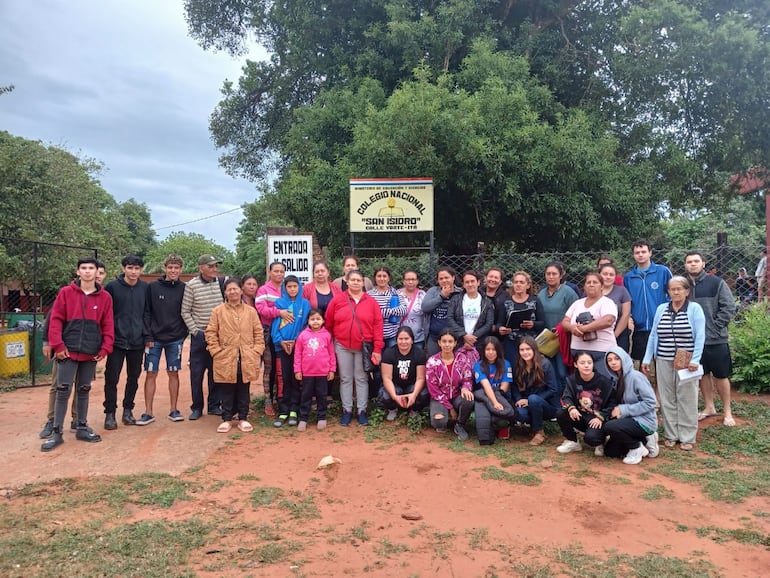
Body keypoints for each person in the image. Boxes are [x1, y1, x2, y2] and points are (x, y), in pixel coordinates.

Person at [41, 256, 114, 452]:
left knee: (83, 390)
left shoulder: (105, 298)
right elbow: (55, 320)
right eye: (84, 268)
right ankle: (56, 431)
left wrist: (105, 348)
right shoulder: (66, 293)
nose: (88, 271)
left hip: (90, 352)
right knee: (62, 390)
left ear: (97, 271)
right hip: (68, 351)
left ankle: (81, 425)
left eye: (91, 268)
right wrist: (57, 345)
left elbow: (108, 324)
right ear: (78, 271)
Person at [642, 276, 705, 451]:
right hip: (663, 358)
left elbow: (700, 336)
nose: (676, 292)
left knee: (687, 396)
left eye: (679, 289)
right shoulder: (662, 309)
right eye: (672, 289)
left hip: (686, 361)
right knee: (666, 397)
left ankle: (687, 436)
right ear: (668, 291)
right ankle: (671, 434)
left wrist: (695, 360)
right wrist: (647, 358)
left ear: (687, 291)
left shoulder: (694, 309)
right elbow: (654, 335)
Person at [684, 252, 738, 427]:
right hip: (693, 341)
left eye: (696, 261)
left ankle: (727, 411)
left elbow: (729, 307)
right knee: (702, 374)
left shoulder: (716, 283)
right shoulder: (683, 285)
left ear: (703, 263)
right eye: (689, 262)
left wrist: (715, 327)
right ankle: (709, 407)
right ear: (685, 265)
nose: (693, 264)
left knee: (721, 375)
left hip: (715, 339)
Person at [205, 278, 265, 433]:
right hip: (226, 355)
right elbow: (211, 332)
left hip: (246, 355)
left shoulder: (250, 312)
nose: (232, 292)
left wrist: (256, 350)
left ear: (240, 290)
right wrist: (216, 351)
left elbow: (258, 332)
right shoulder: (218, 311)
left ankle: (243, 418)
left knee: (244, 387)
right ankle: (226, 418)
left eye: (235, 288)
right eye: (229, 289)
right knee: (226, 388)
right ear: (225, 292)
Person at [325, 269, 384, 426]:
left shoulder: (371, 302)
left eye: (359, 280)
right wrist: (333, 340)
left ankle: (361, 410)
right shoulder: (338, 300)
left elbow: (378, 326)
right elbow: (329, 321)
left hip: (363, 347)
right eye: (353, 280)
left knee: (361, 378)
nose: (356, 283)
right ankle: (347, 410)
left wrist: (377, 349)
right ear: (347, 282)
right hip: (342, 345)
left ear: (363, 282)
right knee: (345, 378)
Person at [138, 254, 187, 425]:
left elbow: (187, 312)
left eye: (176, 267)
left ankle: (174, 410)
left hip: (175, 339)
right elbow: (146, 312)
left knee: (173, 373)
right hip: (154, 340)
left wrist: (182, 334)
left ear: (181, 269)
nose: (173, 270)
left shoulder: (184, 288)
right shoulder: (152, 287)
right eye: (170, 267)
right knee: (151, 373)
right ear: (165, 268)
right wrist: (148, 335)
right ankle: (148, 412)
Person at [103, 255, 148, 429]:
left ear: (141, 270)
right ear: (123, 269)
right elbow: (105, 314)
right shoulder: (112, 287)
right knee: (111, 378)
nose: (133, 271)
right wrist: (107, 336)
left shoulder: (145, 288)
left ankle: (128, 410)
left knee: (133, 378)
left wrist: (146, 336)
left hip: (137, 341)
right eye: (130, 268)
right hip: (116, 341)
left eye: (137, 268)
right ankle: (110, 414)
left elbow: (147, 313)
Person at [181, 254, 225, 420]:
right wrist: (195, 332)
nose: (214, 269)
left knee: (216, 373)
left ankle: (214, 406)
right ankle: (197, 407)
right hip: (199, 335)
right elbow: (185, 311)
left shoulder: (220, 284)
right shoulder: (191, 286)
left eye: (215, 266)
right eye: (211, 266)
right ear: (201, 267)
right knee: (197, 373)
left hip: (217, 337)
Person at [603, 347, 659, 464]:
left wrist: (624, 410)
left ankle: (636, 448)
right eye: (609, 360)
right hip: (628, 420)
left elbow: (650, 402)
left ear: (624, 359)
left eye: (617, 359)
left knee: (610, 426)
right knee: (610, 451)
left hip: (644, 420)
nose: (613, 362)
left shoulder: (636, 377)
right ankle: (644, 440)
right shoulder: (616, 378)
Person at [555, 351, 616, 454]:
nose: (586, 365)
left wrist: (601, 417)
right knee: (561, 413)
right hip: (580, 415)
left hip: (597, 419)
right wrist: (572, 408)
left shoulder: (604, 382)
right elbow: (566, 397)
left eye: (589, 362)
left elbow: (613, 403)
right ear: (576, 364)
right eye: (582, 363)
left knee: (591, 439)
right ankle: (572, 441)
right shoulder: (572, 380)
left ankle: (601, 441)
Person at [270, 275, 310, 428]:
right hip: (282, 347)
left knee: (296, 378)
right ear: (285, 288)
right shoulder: (279, 303)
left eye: (295, 286)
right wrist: (280, 341)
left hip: (298, 347)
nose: (292, 289)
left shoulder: (304, 304)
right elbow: (275, 325)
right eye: (289, 287)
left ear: (299, 287)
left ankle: (294, 409)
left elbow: (306, 325)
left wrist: (296, 342)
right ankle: (283, 410)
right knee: (283, 378)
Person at [623, 239, 672, 362]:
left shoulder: (663, 271)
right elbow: (627, 302)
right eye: (637, 252)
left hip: (661, 325)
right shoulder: (629, 277)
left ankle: (661, 382)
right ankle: (644, 382)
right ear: (633, 255)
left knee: (661, 361)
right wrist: (630, 318)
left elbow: (673, 294)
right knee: (642, 362)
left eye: (643, 251)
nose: (640, 254)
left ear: (650, 253)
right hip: (640, 327)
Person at [561, 271, 617, 377]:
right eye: (588, 282)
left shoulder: (607, 302)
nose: (591, 284)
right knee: (583, 386)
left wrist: (584, 329)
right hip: (579, 352)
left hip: (602, 352)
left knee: (606, 383)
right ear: (584, 286)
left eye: (595, 282)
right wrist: (572, 328)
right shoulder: (577, 303)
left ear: (601, 286)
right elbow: (565, 322)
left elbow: (608, 320)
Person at [425, 329, 476, 441]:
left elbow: (468, 378)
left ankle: (460, 424)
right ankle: (445, 416)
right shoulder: (432, 362)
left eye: (450, 341)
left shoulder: (462, 359)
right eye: (444, 341)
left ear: (455, 343)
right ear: (439, 343)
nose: (447, 344)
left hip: (457, 395)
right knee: (439, 423)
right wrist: (450, 408)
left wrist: (465, 388)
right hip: (439, 397)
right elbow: (433, 390)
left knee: (469, 399)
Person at [511, 336, 560, 446]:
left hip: (547, 405)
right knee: (519, 413)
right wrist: (519, 399)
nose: (525, 352)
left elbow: (553, 389)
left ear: (534, 349)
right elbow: (514, 386)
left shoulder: (545, 364)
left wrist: (529, 400)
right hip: (528, 402)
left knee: (534, 399)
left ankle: (539, 432)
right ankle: (532, 427)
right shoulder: (519, 365)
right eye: (522, 350)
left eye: (528, 349)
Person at [294, 308, 336, 431]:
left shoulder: (327, 335)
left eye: (318, 319)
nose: (315, 322)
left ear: (323, 321)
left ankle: (321, 417)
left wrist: (332, 370)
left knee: (322, 396)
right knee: (306, 396)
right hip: (307, 373)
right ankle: (303, 418)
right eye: (312, 319)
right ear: (308, 321)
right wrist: (298, 370)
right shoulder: (303, 336)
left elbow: (331, 354)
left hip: (322, 373)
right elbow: (297, 354)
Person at [537, 261, 578, 387]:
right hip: (546, 340)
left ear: (561, 275)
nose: (551, 276)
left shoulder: (568, 292)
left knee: (562, 372)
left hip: (563, 338)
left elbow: (577, 313)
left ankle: (566, 401)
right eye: (548, 274)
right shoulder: (541, 293)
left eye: (554, 274)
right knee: (548, 371)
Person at [255, 261, 287, 417]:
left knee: (282, 368)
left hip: (285, 333)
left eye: (282, 271)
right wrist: (278, 312)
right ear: (270, 272)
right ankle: (268, 401)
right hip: (268, 333)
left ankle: (280, 399)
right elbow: (261, 309)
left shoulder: (287, 289)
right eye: (276, 271)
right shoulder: (263, 290)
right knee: (269, 368)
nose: (279, 274)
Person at [378, 326, 429, 422]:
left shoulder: (419, 353)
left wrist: (414, 395)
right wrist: (394, 396)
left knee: (423, 394)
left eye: (406, 339)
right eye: (400, 339)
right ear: (396, 340)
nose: (403, 342)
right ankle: (393, 409)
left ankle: (414, 410)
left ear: (412, 340)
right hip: (396, 385)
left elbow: (420, 378)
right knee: (384, 395)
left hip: (412, 385)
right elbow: (387, 378)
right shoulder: (389, 353)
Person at [472, 336, 515, 443]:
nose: (490, 352)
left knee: (503, 415)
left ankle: (503, 426)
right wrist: (494, 402)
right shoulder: (478, 365)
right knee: (481, 415)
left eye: (494, 349)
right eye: (488, 349)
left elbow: (504, 386)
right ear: (483, 351)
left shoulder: (506, 364)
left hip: (501, 396)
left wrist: (497, 401)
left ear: (498, 350)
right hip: (485, 396)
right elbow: (485, 385)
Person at [499, 271, 544, 368]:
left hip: (529, 343)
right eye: (516, 282)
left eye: (521, 282)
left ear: (528, 285)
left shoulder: (535, 301)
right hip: (511, 342)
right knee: (513, 369)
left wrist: (533, 324)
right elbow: (499, 323)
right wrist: (501, 329)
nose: (518, 285)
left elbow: (542, 323)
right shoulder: (506, 302)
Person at [445, 269, 494, 355]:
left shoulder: (487, 302)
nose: (470, 284)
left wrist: (473, 337)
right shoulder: (456, 299)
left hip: (479, 342)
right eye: (467, 282)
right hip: (459, 341)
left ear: (478, 282)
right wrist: (463, 335)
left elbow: (489, 323)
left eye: (472, 281)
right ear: (463, 284)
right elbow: (449, 318)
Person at [422, 266, 462, 356]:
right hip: (434, 337)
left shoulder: (460, 293)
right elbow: (425, 307)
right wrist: (441, 296)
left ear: (453, 277)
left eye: (447, 277)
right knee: (432, 362)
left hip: (454, 338)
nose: (444, 280)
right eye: (441, 278)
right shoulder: (433, 291)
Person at [368, 266, 407, 348]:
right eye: (379, 276)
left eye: (384, 276)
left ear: (389, 278)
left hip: (392, 335)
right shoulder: (369, 295)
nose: (382, 279)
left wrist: (382, 312)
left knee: (390, 360)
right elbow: (369, 314)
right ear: (375, 278)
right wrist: (393, 311)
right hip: (374, 337)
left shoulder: (395, 293)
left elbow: (403, 310)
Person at [599, 262, 632, 352]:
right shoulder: (592, 291)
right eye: (605, 274)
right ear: (599, 275)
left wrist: (614, 335)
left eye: (611, 275)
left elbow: (626, 315)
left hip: (618, 335)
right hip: (597, 336)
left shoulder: (622, 291)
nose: (608, 277)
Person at [397, 269, 426, 350]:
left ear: (417, 281)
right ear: (403, 281)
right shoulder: (396, 294)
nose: (410, 282)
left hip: (418, 337)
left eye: (413, 279)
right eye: (408, 279)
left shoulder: (423, 295)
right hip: (400, 337)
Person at [483, 267, 509, 341]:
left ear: (500, 281)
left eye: (496, 277)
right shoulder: (478, 293)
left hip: (498, 336)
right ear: (485, 278)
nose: (493, 279)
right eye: (491, 276)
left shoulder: (506, 296)